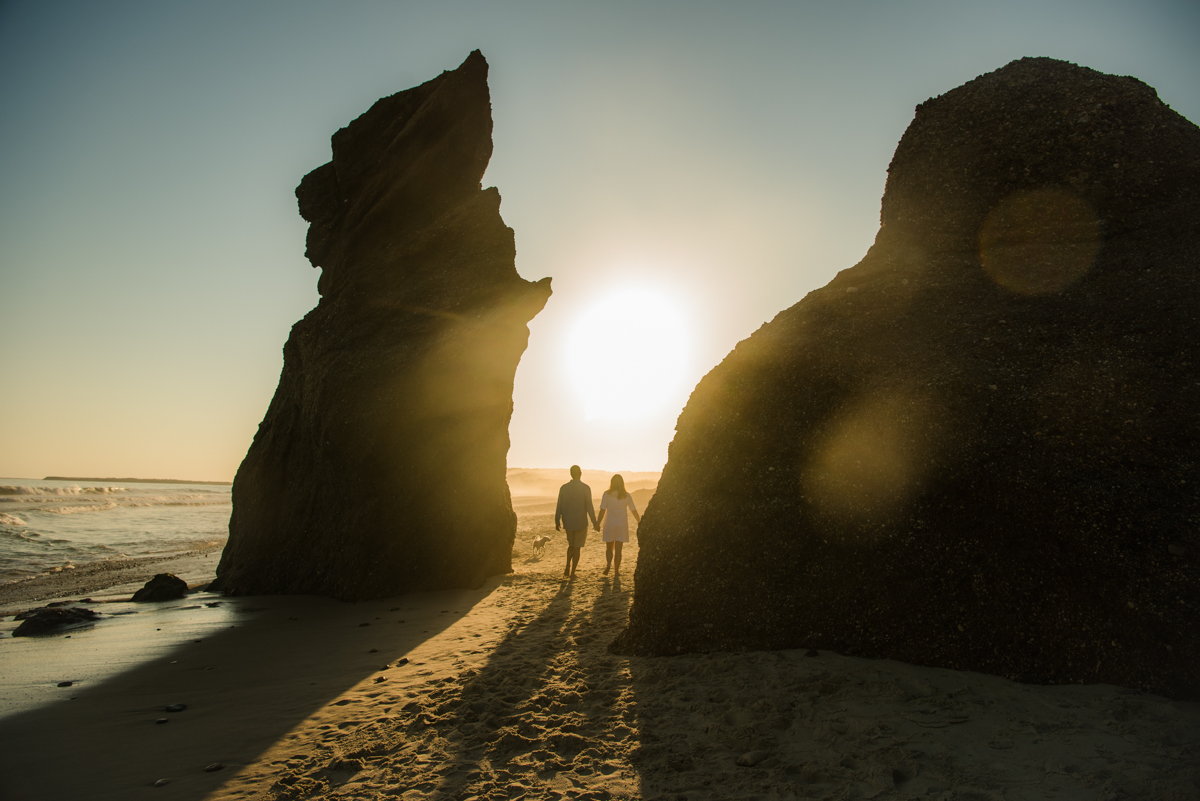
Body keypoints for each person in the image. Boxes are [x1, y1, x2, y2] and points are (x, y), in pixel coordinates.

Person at [555, 465, 597, 579]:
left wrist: (557, 520)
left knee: (571, 545)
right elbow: (589, 506)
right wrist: (594, 522)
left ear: (570, 474)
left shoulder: (564, 488)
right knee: (577, 548)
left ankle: (567, 565)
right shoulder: (585, 488)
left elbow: (559, 504)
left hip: (568, 521)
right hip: (581, 522)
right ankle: (573, 572)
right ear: (580, 473)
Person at [596, 474, 640, 577]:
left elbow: (602, 510)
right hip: (621, 524)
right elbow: (633, 510)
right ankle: (616, 571)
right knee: (619, 550)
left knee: (609, 548)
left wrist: (598, 523)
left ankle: (608, 564)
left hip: (610, 523)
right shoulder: (626, 495)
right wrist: (639, 521)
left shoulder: (607, 494)